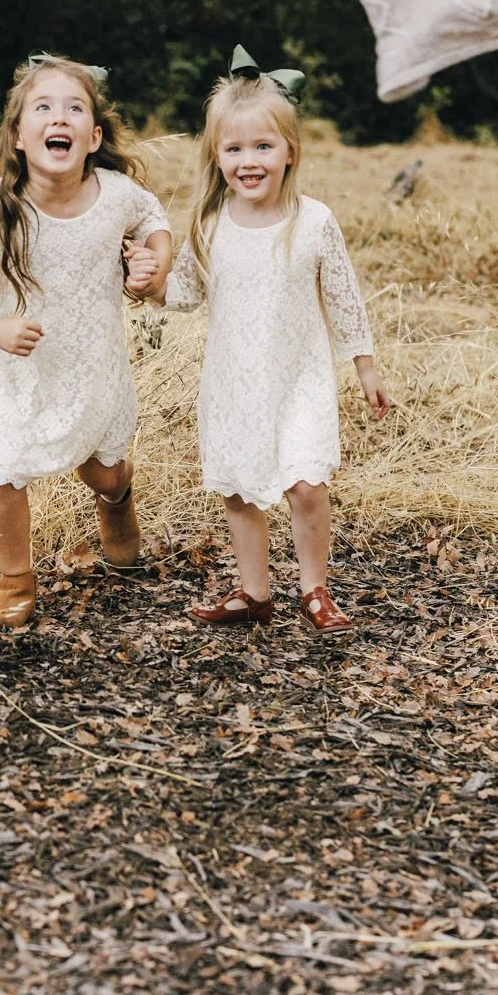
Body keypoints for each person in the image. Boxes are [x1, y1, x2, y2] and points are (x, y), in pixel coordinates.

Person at [0, 56, 174, 628]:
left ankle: (117, 498)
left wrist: (153, 264)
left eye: (75, 108)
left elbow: (153, 217)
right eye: (44, 108)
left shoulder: (116, 193)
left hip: (93, 365)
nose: (60, 117)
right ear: (17, 137)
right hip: (18, 369)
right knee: (1, 471)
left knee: (100, 471)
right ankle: (15, 582)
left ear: (94, 137)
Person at [152, 49, 390, 634]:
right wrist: (145, 279)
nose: (248, 161)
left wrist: (364, 365)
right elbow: (181, 294)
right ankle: (254, 592)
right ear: (217, 155)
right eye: (234, 149)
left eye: (263, 147)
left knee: (306, 485)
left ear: (289, 150)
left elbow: (342, 297)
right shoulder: (210, 224)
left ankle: (315, 589)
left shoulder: (313, 221)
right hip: (234, 381)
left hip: (301, 376)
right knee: (240, 489)